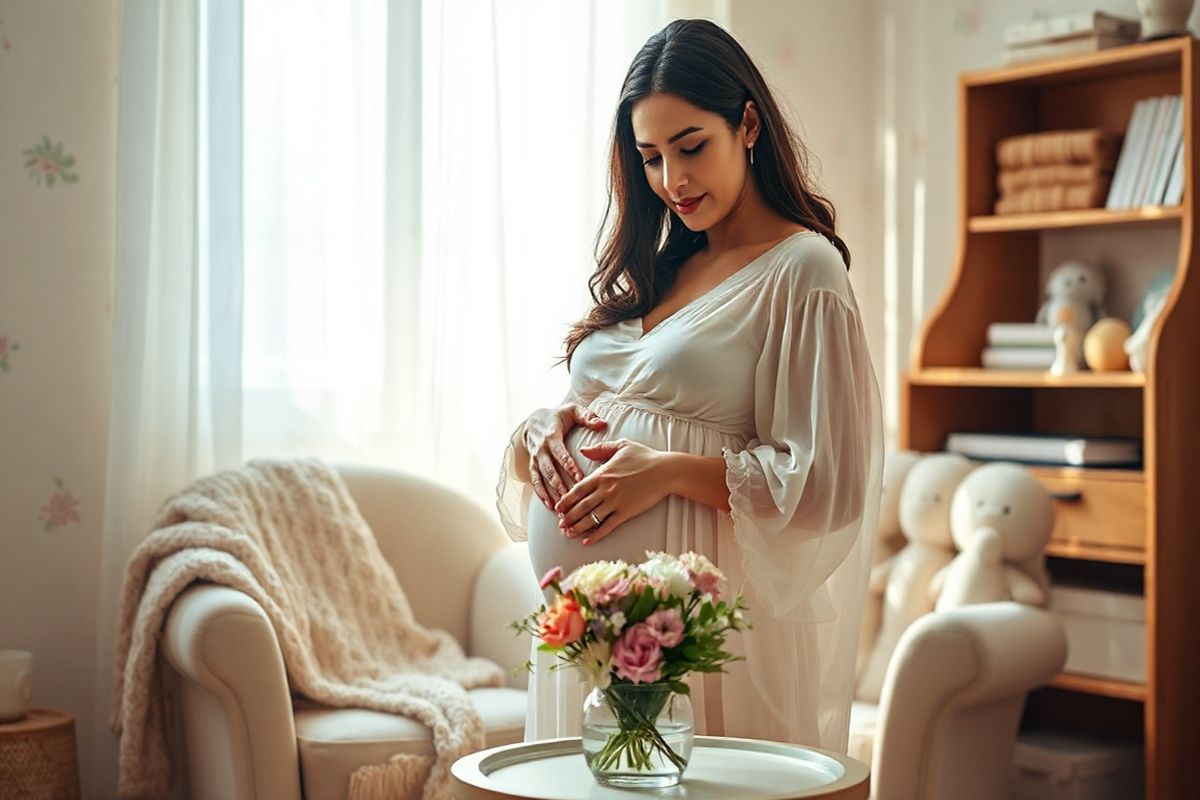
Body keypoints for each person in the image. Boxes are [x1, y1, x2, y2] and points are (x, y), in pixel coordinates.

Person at [495, 18, 883, 752]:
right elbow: (604, 408)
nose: (671, 181)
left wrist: (668, 474)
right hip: (590, 642)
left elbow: (833, 483)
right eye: (649, 158)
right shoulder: (660, 269)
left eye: (691, 147)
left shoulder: (802, 272)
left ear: (746, 124)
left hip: (703, 647)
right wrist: (539, 434)